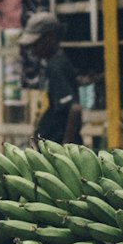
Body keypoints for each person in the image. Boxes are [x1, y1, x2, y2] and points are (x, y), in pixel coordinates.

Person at [20, 11, 81, 145]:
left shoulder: (57, 66)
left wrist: (67, 146)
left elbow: (74, 108)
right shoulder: (51, 65)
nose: (33, 50)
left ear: (50, 37)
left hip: (59, 147)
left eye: (36, 44)